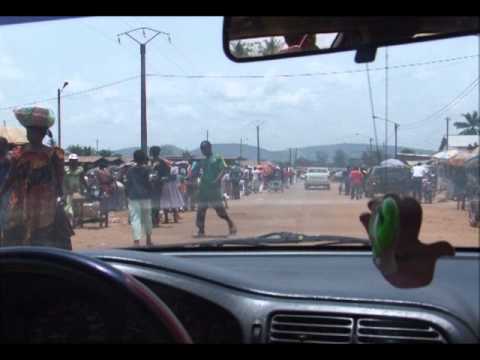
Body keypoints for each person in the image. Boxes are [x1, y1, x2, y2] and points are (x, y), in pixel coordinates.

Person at [0, 107, 72, 249]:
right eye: (28, 130)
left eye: (34, 130)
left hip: (45, 205)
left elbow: (59, 179)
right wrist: (1, 192)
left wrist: (61, 195)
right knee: (15, 236)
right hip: (21, 203)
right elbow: (11, 177)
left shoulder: (53, 155)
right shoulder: (18, 153)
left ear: (43, 133)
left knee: (45, 238)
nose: (30, 133)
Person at [192, 141, 237, 237]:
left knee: (220, 211)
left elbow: (224, 169)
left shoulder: (217, 158)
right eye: (202, 149)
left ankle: (230, 223)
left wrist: (217, 180)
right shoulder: (203, 160)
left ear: (210, 147)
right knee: (201, 210)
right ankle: (201, 231)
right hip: (204, 188)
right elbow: (197, 172)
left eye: (205, 148)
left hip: (214, 189)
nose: (203, 151)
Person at [126, 150, 153, 247]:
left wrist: (128, 195)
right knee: (147, 218)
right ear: (144, 159)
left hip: (133, 197)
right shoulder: (148, 170)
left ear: (135, 159)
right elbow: (150, 183)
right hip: (145, 197)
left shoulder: (130, 170)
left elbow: (128, 184)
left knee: (135, 219)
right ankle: (149, 240)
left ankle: (136, 241)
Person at [63, 153, 87, 227]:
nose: (73, 162)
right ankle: (70, 221)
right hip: (67, 191)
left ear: (77, 161)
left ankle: (77, 220)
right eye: (72, 161)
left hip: (77, 191)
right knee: (68, 206)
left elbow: (82, 180)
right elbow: (63, 180)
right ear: (69, 161)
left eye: (75, 161)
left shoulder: (80, 170)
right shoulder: (65, 169)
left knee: (78, 207)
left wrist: (86, 187)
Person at [149, 146, 170, 226]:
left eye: (152, 151)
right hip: (151, 185)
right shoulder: (150, 161)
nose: (151, 153)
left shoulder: (161, 162)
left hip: (157, 185)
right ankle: (154, 220)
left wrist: (163, 178)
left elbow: (168, 172)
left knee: (155, 203)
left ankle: (155, 221)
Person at [0, 137, 12, 245]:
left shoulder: (9, 160)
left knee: (5, 213)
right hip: (5, 191)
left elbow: (10, 177)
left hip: (6, 191)